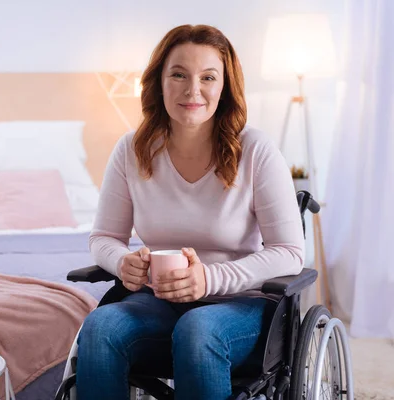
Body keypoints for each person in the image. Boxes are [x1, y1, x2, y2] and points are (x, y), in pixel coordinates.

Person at [76, 24, 304, 400]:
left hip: (239, 304)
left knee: (198, 330)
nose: (192, 90)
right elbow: (103, 238)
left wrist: (209, 279)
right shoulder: (132, 150)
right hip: (157, 302)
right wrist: (122, 263)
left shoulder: (256, 151)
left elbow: (291, 252)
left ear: (224, 87)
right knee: (101, 326)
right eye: (178, 74)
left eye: (208, 77)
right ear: (159, 82)